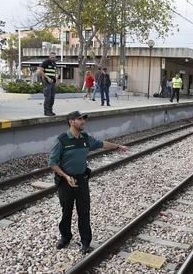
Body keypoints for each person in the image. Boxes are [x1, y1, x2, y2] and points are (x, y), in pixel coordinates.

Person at [49, 111, 128, 254]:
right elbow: (52, 163)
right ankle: (65, 237)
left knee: (84, 212)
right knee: (66, 211)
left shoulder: (85, 138)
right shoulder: (61, 140)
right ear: (71, 122)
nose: (83, 122)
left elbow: (101, 144)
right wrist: (66, 176)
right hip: (65, 181)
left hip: (81, 180)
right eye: (80, 119)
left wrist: (117, 146)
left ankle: (85, 242)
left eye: (83, 119)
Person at [38, 52, 58, 116]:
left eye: (54, 57)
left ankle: (50, 110)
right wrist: (47, 78)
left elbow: (54, 72)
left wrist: (56, 77)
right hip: (47, 82)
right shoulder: (45, 62)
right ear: (49, 57)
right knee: (48, 97)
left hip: (53, 82)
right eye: (51, 57)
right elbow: (40, 71)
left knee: (52, 97)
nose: (53, 58)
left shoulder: (54, 63)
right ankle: (46, 111)